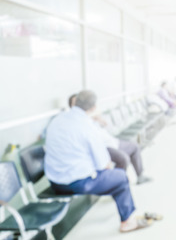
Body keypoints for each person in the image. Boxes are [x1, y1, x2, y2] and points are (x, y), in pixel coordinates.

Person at [45, 90, 152, 232]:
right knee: (120, 177)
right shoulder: (87, 126)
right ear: (94, 108)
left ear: (75, 102)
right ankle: (127, 221)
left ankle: (117, 199)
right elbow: (103, 164)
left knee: (110, 174)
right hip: (77, 183)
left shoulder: (57, 120)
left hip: (55, 183)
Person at [68, 94, 151, 185]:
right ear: (71, 107)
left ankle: (140, 176)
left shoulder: (90, 117)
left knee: (134, 147)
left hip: (112, 141)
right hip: (103, 147)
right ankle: (117, 183)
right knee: (123, 158)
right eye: (75, 103)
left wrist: (100, 121)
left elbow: (109, 128)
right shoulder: (75, 122)